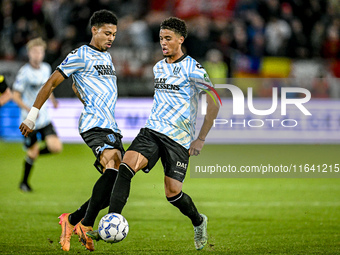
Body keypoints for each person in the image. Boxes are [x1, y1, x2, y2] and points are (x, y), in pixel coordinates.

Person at [88, 17, 220, 251]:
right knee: (124, 168)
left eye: (168, 39)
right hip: (152, 131)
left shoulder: (193, 68)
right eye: (161, 39)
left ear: (181, 39)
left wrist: (200, 138)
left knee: (172, 193)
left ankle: (199, 221)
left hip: (178, 139)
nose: (163, 43)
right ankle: (112, 221)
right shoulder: (158, 67)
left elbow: (215, 101)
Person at [19, 10, 124, 252]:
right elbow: (51, 83)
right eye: (107, 33)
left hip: (111, 125)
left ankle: (73, 220)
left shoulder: (107, 58)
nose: (111, 38)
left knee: (117, 185)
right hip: (95, 125)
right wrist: (32, 116)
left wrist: (83, 94)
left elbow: (84, 87)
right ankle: (85, 224)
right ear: (94, 30)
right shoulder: (80, 54)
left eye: (114, 34)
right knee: (114, 163)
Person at [12, 37, 63, 192]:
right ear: (29, 53)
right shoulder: (24, 73)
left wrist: (53, 100)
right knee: (33, 152)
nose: (38, 54)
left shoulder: (47, 68)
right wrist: (30, 110)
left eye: (40, 51)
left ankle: (32, 153)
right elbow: (15, 96)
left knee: (56, 147)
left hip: (45, 118)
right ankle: (24, 182)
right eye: (35, 51)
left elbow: (47, 88)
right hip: (30, 121)